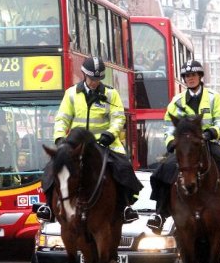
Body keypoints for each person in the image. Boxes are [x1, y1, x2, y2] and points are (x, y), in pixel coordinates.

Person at [147, 59, 220, 235]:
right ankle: (160, 214)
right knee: (162, 171)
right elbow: (169, 126)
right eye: (187, 76)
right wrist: (170, 142)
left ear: (200, 76)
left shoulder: (214, 98)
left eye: (193, 75)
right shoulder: (176, 101)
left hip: (209, 143)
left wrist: (211, 133)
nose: (190, 79)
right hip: (185, 146)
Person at [37, 56, 143, 223]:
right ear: (84, 75)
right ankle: (48, 205)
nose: (95, 82)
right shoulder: (71, 94)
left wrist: (109, 134)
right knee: (52, 167)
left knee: (124, 167)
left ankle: (125, 206)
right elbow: (62, 118)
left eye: (98, 79)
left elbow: (118, 118)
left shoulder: (111, 94)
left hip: (104, 143)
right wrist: (59, 138)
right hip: (75, 144)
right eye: (92, 78)